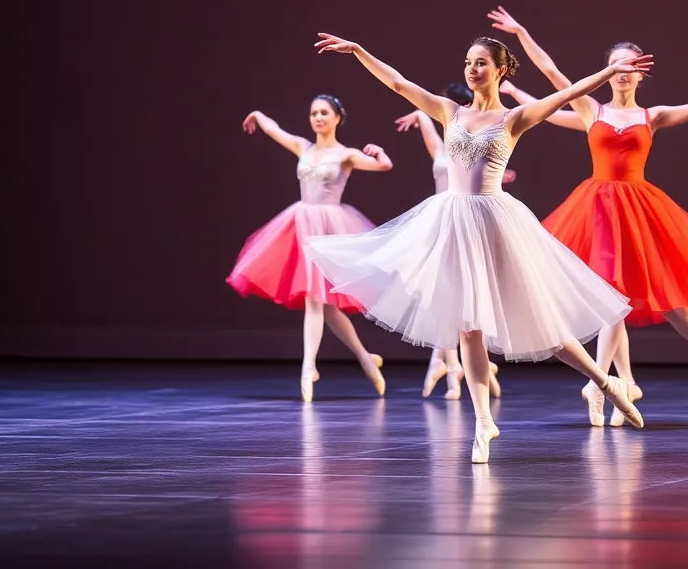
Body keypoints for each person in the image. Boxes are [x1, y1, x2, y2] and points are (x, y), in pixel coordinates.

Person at [306, 32, 655, 463]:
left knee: (540, 319)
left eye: (481, 63)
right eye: (468, 62)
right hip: (452, 222)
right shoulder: (449, 111)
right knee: (468, 327)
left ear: (501, 69)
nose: (472, 69)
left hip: (495, 223)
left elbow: (567, 91)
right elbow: (398, 84)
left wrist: (607, 73)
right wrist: (360, 51)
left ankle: (605, 383)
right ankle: (483, 422)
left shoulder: (515, 118)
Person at [489, 7, 688, 426]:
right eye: (616, 65)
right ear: (608, 71)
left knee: (667, 298)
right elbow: (552, 73)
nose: (622, 73)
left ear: (641, 75)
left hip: (639, 211)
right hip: (596, 211)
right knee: (610, 300)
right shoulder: (589, 110)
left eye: (631, 66)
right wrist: (522, 32)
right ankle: (606, 386)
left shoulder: (652, 117)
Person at [228, 95, 392, 402]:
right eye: (314, 113)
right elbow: (276, 130)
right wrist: (258, 113)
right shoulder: (303, 147)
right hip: (302, 225)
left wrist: (380, 154)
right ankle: (367, 360)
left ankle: (309, 366)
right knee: (325, 306)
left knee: (319, 301)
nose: (317, 118)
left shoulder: (346, 155)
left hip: (330, 229)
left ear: (336, 118)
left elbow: (383, 166)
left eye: (324, 113)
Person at [394, 81, 507, 400]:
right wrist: (418, 115)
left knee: (458, 300)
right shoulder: (441, 143)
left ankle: (450, 365)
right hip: (439, 225)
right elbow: (422, 105)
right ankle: (457, 367)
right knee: (444, 297)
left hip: (469, 225)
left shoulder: (478, 139)